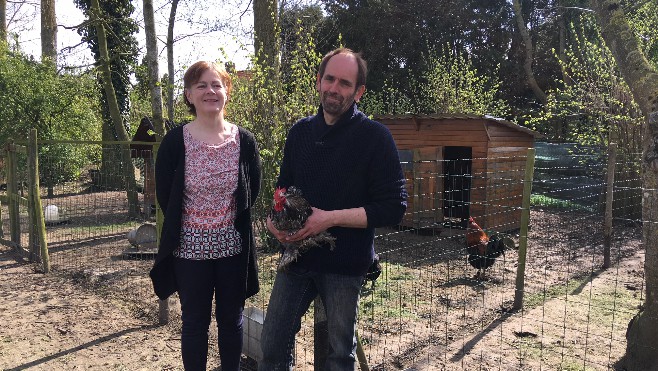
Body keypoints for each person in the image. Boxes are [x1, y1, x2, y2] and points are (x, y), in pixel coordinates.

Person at [259, 48, 408, 370]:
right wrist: (276, 221)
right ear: (318, 81)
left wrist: (328, 219)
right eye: (329, 79)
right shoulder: (300, 132)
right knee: (272, 344)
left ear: (359, 92)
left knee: (339, 355)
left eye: (344, 83)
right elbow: (283, 188)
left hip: (345, 263)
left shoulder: (374, 137)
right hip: (298, 256)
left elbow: (394, 208)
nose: (334, 88)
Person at [149, 61, 262, 371]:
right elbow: (165, 195)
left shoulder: (245, 142)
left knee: (231, 320)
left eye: (217, 85)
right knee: (195, 322)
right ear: (189, 95)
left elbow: (252, 191)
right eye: (202, 86)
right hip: (189, 249)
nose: (210, 91)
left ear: (227, 92)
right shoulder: (175, 142)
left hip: (232, 249)